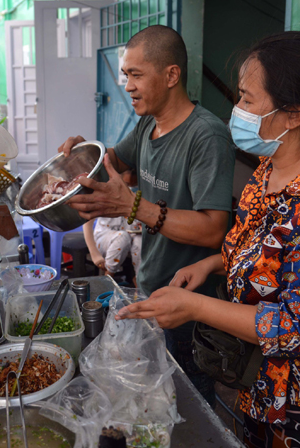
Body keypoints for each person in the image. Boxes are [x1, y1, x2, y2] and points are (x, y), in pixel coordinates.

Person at [116, 31, 300, 448]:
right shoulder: (268, 170)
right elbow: (250, 241)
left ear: (293, 115)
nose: (235, 110)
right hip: (257, 380)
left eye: (246, 100)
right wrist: (208, 264)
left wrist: (196, 306)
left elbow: (295, 325)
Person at [59, 25, 235, 405]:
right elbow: (113, 162)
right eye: (126, 75)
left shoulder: (206, 136)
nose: (127, 85)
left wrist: (133, 206)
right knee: (155, 401)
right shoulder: (147, 125)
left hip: (192, 308)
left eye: (136, 75)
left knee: (190, 404)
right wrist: (80, 157)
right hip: (152, 287)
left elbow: (213, 230)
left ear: (171, 75)